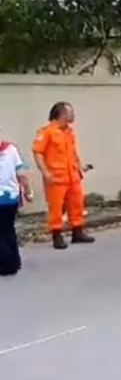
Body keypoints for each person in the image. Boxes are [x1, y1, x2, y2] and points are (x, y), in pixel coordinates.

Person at [32, 101, 95, 250]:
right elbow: (38, 153)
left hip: (72, 176)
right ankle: (57, 235)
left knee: (77, 204)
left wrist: (80, 167)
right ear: (62, 114)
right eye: (71, 112)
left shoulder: (69, 132)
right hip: (56, 177)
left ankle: (77, 232)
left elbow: (73, 152)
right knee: (56, 207)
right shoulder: (46, 131)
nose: (74, 115)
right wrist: (45, 172)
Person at [0, 131, 33, 276]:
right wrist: (28, 191)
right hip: (12, 197)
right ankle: (16, 261)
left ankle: (7, 266)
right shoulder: (11, 149)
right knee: (8, 229)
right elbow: (21, 174)